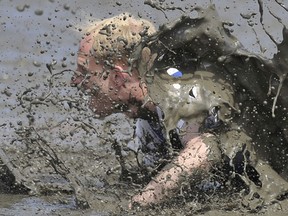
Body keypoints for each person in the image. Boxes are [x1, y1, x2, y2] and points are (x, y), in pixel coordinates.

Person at [70, 13, 261, 208]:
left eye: (84, 72)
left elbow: (204, 149)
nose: (75, 81)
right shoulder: (146, 120)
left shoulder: (180, 84)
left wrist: (139, 203)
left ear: (118, 77)